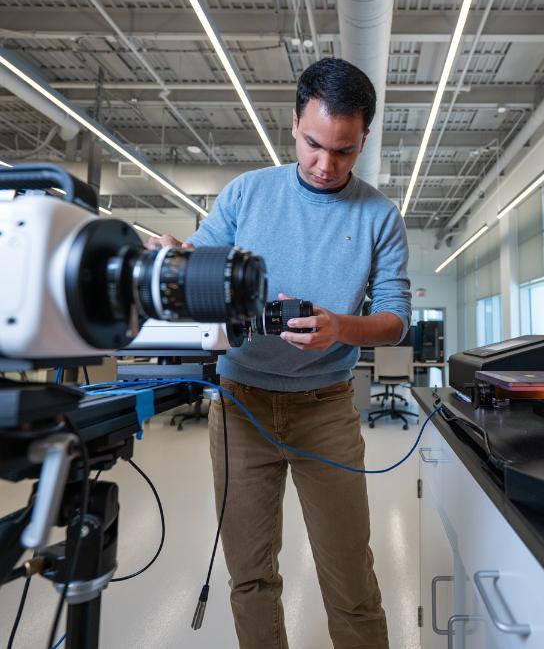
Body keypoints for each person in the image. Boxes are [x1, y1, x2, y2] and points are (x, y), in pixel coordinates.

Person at [147, 58, 410, 649]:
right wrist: (173, 261)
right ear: (293, 123)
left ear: (364, 138)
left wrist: (342, 326)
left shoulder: (379, 217)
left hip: (327, 412)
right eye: (314, 144)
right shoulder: (246, 194)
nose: (324, 164)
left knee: (350, 578)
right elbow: (198, 272)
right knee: (251, 576)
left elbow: (396, 320)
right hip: (240, 408)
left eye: (344, 151)